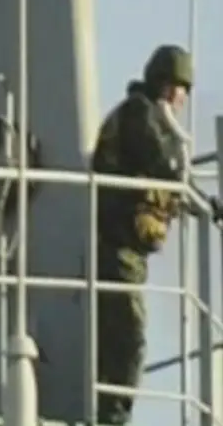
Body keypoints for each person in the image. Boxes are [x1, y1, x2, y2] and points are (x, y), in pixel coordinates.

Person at [91, 44, 223, 424]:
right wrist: (195, 194)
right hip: (116, 249)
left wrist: (203, 203)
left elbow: (169, 180)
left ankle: (110, 411)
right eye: (182, 89)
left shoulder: (147, 117)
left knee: (119, 337)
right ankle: (112, 418)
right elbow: (164, 166)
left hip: (126, 253)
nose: (183, 100)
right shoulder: (139, 114)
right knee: (129, 337)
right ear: (167, 86)